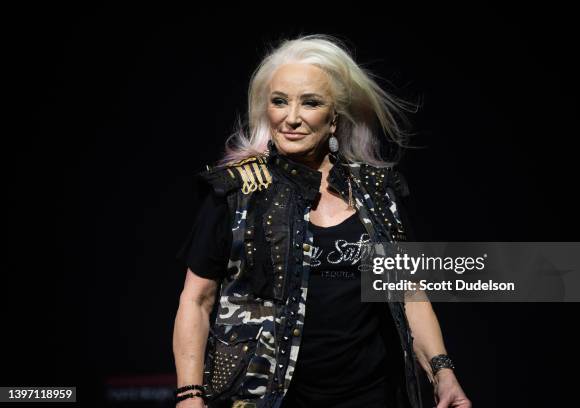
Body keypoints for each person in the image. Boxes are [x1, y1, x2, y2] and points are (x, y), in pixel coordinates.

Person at [173, 34, 471, 408]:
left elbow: (408, 295)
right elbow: (196, 301)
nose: (291, 117)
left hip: (372, 395)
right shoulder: (236, 193)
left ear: (334, 119)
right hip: (266, 398)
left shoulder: (376, 191)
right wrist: (188, 394)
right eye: (280, 101)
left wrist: (443, 374)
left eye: (310, 103)